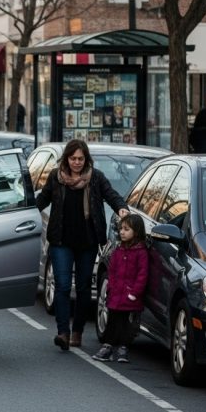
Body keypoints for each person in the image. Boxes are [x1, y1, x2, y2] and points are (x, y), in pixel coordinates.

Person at [36, 139, 129, 351]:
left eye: (80, 158)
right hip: (61, 241)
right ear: (66, 159)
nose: (77, 162)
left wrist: (121, 208)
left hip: (87, 242)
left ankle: (77, 330)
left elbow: (111, 195)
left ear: (86, 159)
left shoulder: (95, 178)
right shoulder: (56, 177)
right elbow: (42, 199)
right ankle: (63, 332)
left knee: (85, 287)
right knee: (62, 286)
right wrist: (24, 213)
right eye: (73, 158)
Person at [93, 214, 149, 364]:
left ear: (136, 232)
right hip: (116, 294)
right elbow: (112, 270)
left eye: (126, 229)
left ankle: (123, 348)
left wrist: (134, 293)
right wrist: (111, 286)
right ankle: (108, 346)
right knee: (112, 321)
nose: (122, 232)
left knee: (127, 324)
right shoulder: (119, 250)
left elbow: (142, 275)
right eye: (121, 229)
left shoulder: (141, 253)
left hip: (130, 295)